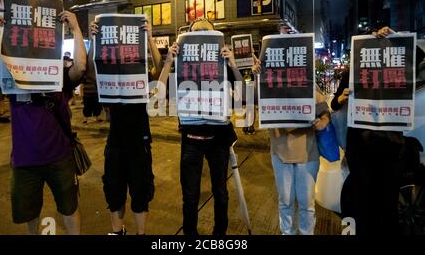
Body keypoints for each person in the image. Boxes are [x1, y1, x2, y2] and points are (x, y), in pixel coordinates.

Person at [0, 9, 87, 234]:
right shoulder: (9, 75)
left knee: (69, 208)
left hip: (60, 157)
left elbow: (81, 67)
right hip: (25, 161)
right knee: (30, 215)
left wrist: (75, 29)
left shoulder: (58, 74)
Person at [331, 26, 425, 235]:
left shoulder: (399, 66)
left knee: (387, 205)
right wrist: (342, 97)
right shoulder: (352, 71)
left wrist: (396, 36)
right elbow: (334, 104)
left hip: (390, 147)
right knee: (362, 206)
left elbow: (419, 55)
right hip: (360, 149)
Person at [158, 17, 244, 235]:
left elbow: (242, 94)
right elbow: (158, 92)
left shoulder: (223, 61)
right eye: (197, 32)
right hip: (191, 140)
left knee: (221, 191)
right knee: (190, 195)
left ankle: (219, 235)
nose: (202, 35)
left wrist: (232, 64)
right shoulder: (180, 61)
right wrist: (169, 61)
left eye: (207, 32)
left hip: (218, 140)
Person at [252, 23, 330, 235]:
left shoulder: (307, 81)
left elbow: (325, 111)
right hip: (280, 151)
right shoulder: (267, 80)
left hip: (308, 152)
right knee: (285, 202)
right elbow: (252, 102)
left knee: (306, 204)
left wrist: (322, 121)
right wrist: (258, 76)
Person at [90, 17, 162, 235]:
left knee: (140, 191)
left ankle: (141, 233)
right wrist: (94, 40)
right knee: (113, 189)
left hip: (140, 140)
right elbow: (91, 72)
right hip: (115, 141)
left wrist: (149, 38)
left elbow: (160, 70)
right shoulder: (109, 76)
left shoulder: (142, 76)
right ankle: (117, 231)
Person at [81, 48, 102, 124]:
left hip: (95, 92)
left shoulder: (96, 71)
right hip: (88, 93)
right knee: (87, 106)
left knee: (97, 106)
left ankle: (97, 117)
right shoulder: (85, 72)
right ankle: (86, 118)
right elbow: (82, 84)